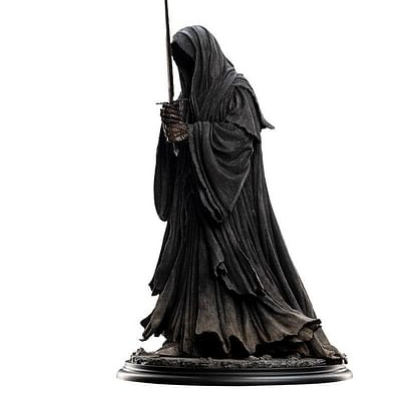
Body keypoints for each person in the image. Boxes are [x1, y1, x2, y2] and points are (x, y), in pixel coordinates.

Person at [141, 25, 344, 361]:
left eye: (190, 61)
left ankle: (272, 335)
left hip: (231, 206)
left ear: (206, 57)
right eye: (180, 63)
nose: (185, 69)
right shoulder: (188, 99)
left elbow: (237, 139)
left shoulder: (236, 90)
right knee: (193, 272)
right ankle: (191, 339)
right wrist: (171, 132)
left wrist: (192, 134)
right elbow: (177, 149)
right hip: (194, 205)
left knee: (238, 272)